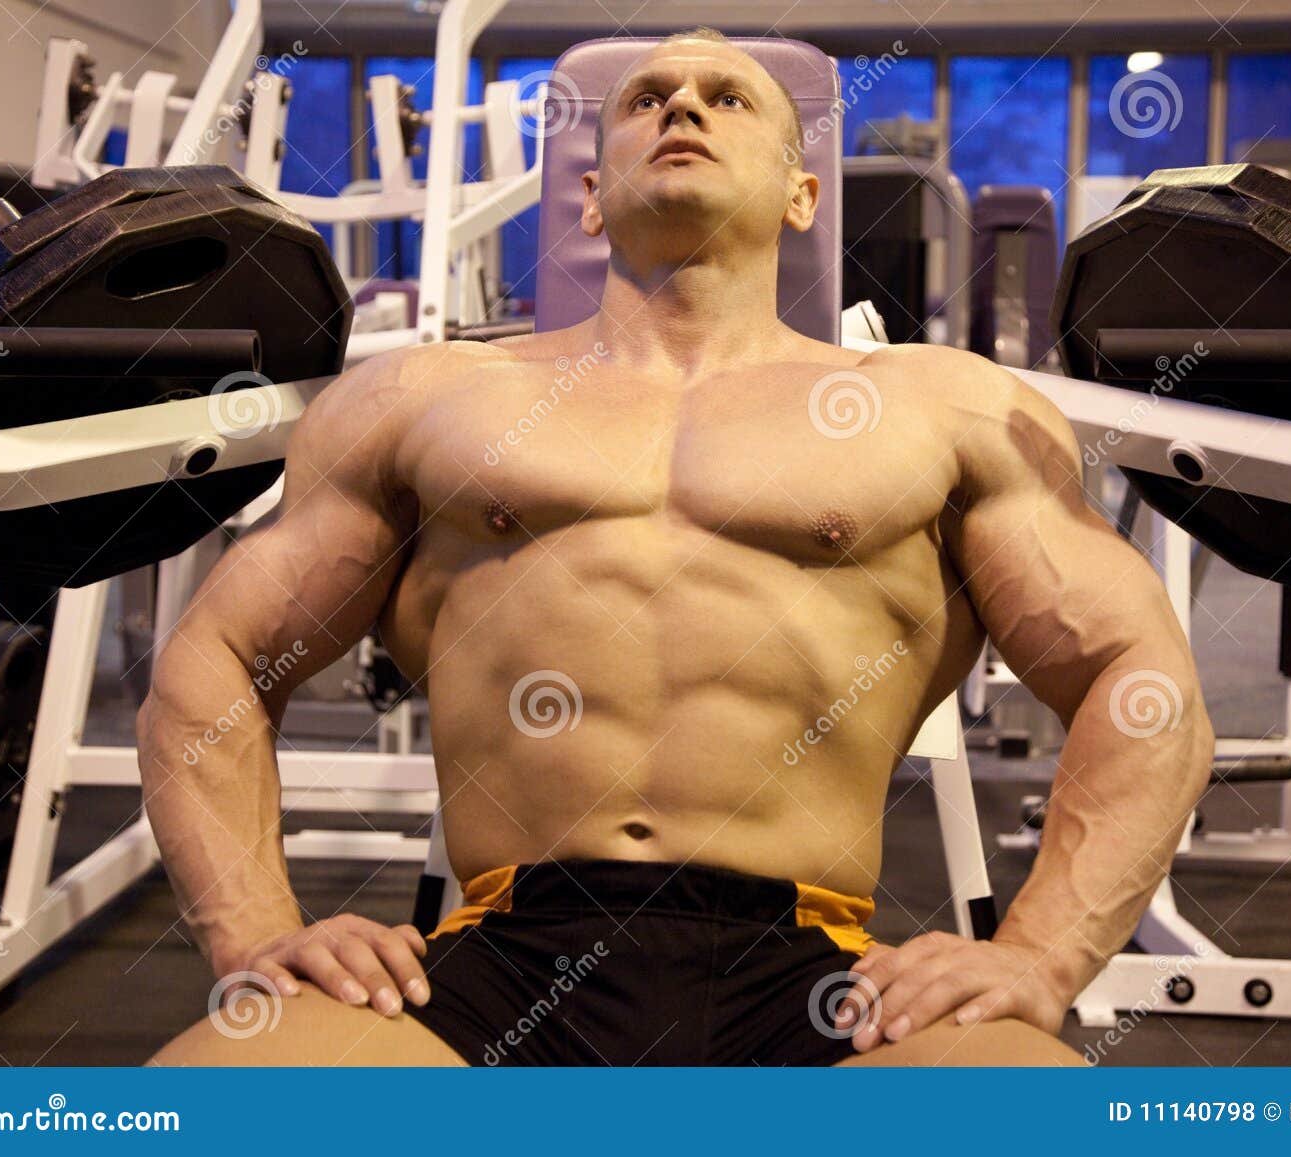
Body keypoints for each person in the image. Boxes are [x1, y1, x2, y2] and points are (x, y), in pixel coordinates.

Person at [143, 27, 1212, 1067]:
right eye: (647, 100)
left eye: (727, 97)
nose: (683, 108)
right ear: (591, 196)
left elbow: (1139, 675)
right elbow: (217, 653)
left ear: (803, 195)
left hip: (821, 970)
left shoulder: (943, 406)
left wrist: (1038, 956)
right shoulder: (425, 397)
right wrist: (255, 934)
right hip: (491, 961)